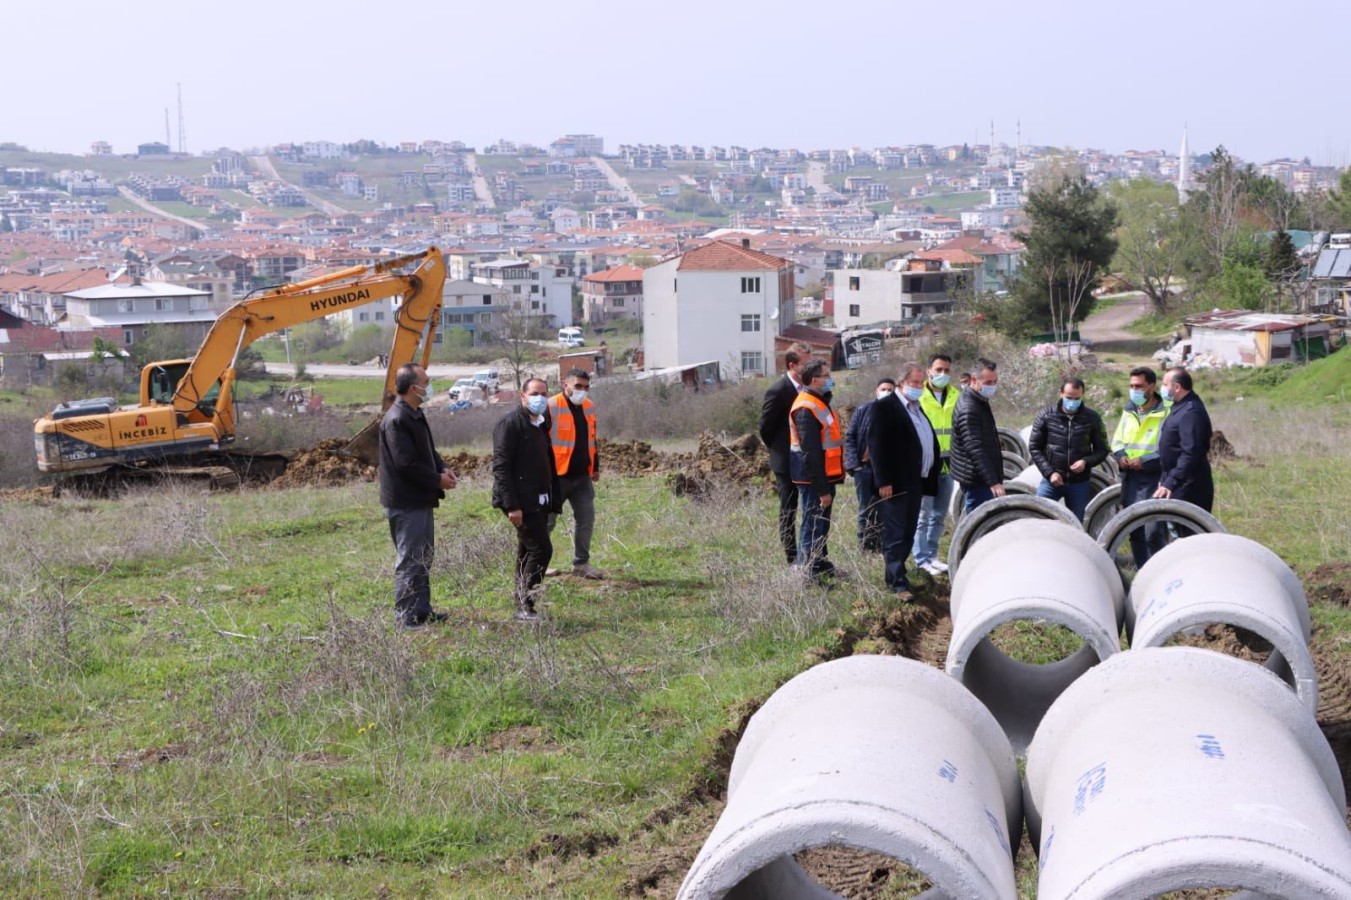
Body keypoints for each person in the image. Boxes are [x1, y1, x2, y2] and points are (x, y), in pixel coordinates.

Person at [378, 363, 456, 628]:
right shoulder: (397, 419)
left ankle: (421, 610)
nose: (429, 385)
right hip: (405, 501)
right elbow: (406, 464)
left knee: (424, 555)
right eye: (427, 381)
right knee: (410, 559)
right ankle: (405, 617)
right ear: (413, 387)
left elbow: (427, 451)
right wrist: (437, 480)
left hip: (420, 498)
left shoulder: (414, 414)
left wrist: (442, 467)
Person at [492, 377, 562, 622]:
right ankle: (525, 606)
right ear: (522, 396)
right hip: (521, 500)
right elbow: (501, 467)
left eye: (543, 393)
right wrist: (512, 505)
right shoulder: (510, 425)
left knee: (526, 550)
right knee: (541, 549)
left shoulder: (541, 423)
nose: (539, 397)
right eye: (534, 393)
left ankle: (521, 603)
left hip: (539, 499)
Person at [869, 363, 940, 600]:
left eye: (921, 383)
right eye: (915, 383)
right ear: (902, 383)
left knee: (908, 531)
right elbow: (877, 446)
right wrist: (884, 481)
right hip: (895, 483)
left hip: (915, 480)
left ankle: (896, 575)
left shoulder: (916, 408)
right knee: (896, 533)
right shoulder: (886, 407)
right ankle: (899, 584)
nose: (919, 387)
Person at [546, 368, 604, 579]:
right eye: (578, 386)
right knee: (546, 523)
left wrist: (595, 467)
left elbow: (592, 438)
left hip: (581, 477)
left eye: (586, 387)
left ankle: (581, 564)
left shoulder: (589, 407)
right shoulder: (551, 406)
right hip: (556, 477)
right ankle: (539, 565)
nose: (582, 391)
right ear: (566, 385)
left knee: (586, 520)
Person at [790, 359, 846, 580]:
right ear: (814, 380)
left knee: (821, 524)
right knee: (812, 525)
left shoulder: (819, 401)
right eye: (826, 375)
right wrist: (822, 489)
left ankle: (820, 563)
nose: (830, 379)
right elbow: (810, 453)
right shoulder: (806, 407)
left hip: (826, 476)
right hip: (813, 480)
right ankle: (808, 572)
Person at [759, 343, 813, 565]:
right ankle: (792, 558)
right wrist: (780, 449)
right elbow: (765, 427)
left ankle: (813, 555)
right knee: (789, 509)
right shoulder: (778, 390)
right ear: (793, 365)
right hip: (785, 461)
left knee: (812, 508)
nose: (810, 368)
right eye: (806, 364)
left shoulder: (810, 389)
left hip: (808, 460)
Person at [1028, 377, 1110, 522]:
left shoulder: (1092, 418)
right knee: (1038, 517)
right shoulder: (1046, 415)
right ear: (1060, 393)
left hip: (1079, 483)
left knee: (1075, 523)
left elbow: (1102, 449)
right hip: (1051, 481)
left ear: (1082, 395)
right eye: (1068, 397)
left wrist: (1086, 461)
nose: (1072, 402)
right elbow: (1034, 447)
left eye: (1077, 398)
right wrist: (1050, 472)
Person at [1112, 366, 1170, 566]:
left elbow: (1168, 449)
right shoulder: (1129, 410)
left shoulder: (1165, 413)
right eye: (1131, 386)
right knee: (1134, 531)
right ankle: (1142, 572)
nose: (1134, 390)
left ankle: (1159, 570)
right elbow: (1118, 440)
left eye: (1139, 386)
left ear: (1152, 386)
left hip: (1154, 478)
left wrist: (1144, 461)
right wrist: (1120, 456)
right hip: (1130, 478)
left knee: (1153, 531)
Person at [913, 354, 958, 575]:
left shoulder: (956, 396)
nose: (943, 374)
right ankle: (920, 559)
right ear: (929, 370)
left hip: (948, 465)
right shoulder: (918, 396)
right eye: (939, 369)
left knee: (939, 515)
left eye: (947, 370)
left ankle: (932, 555)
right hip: (926, 466)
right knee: (923, 515)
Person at [1153, 367, 1214, 522]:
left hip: (1188, 487)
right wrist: (1165, 478)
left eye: (1165, 384)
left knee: (1187, 537)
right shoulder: (1179, 407)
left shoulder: (1191, 412)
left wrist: (1171, 482)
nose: (1162, 387)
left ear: (1177, 387)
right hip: (1176, 481)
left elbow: (1190, 453)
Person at [843, 377, 896, 553]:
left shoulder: (898, 413)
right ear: (876, 390)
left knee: (885, 509)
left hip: (887, 471)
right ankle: (865, 547)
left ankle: (881, 546)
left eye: (890, 389)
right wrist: (854, 465)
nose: (886, 392)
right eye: (883, 389)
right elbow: (850, 437)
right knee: (866, 509)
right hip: (864, 469)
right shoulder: (864, 410)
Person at [950, 358, 1006, 514]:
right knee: (979, 522)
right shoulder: (969, 408)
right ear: (974, 379)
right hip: (977, 479)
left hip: (979, 476)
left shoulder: (978, 400)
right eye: (988, 382)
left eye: (995, 381)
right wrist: (993, 482)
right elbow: (974, 448)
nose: (992, 386)